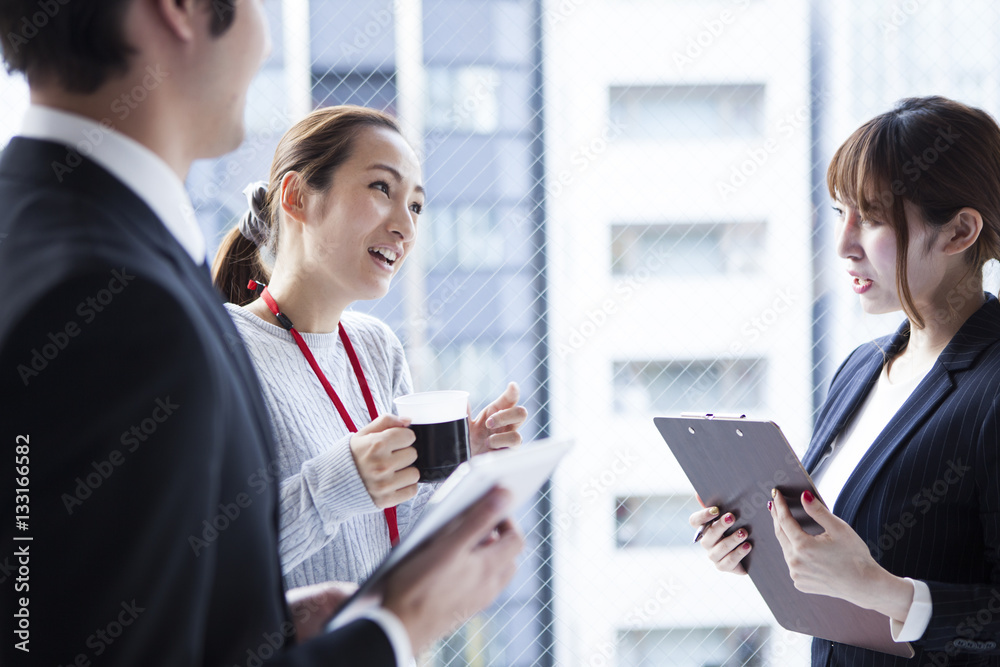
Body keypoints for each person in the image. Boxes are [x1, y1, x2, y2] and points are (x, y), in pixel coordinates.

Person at [0, 1, 522, 665]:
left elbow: (127, 600)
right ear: (181, 11)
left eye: (416, 203)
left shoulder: (68, 239)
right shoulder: (113, 297)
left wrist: (269, 622)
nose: (265, 39)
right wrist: (394, 626)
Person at [691, 95, 1000, 666]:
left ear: (959, 232)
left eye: (874, 218)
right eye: (841, 213)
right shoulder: (861, 367)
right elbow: (835, 557)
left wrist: (882, 590)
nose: (844, 244)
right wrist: (754, 545)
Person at [210, 104, 528, 586]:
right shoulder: (223, 351)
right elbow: (206, 561)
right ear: (297, 197)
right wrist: (336, 487)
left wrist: (461, 469)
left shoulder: (376, 346)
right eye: (382, 188)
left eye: (416, 205)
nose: (406, 226)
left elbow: (389, 534)